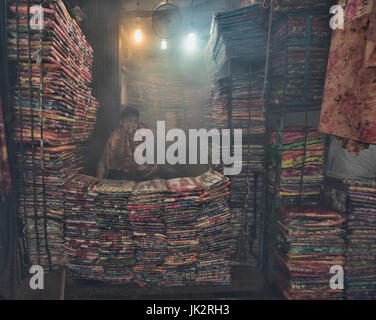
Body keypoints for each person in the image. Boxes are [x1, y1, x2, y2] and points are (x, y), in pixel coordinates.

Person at [96, 106, 158, 181]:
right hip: (121, 178)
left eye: (135, 121)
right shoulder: (114, 139)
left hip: (141, 177)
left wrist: (154, 167)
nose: (132, 124)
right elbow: (102, 161)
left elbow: (151, 157)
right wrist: (99, 178)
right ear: (121, 122)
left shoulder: (142, 136)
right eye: (129, 121)